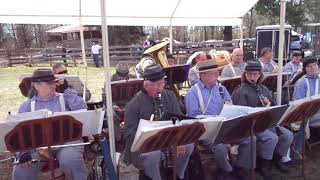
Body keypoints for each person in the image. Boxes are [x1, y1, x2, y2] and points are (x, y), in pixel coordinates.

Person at [12, 69, 88, 180]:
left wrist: (67, 89)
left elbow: (82, 109)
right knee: (21, 171)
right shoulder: (27, 106)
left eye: (54, 83)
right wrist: (22, 153)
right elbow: (18, 133)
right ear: (36, 86)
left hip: (67, 143)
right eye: (49, 84)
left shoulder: (64, 98)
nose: (53, 87)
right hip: (38, 147)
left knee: (70, 161)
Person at [185, 59, 255, 179]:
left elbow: (231, 107)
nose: (218, 76)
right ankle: (226, 170)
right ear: (202, 75)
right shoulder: (193, 92)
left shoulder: (221, 88)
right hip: (208, 130)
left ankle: (241, 167)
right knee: (220, 147)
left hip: (226, 126)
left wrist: (230, 109)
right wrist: (215, 119)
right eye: (214, 74)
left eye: (217, 72)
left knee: (250, 139)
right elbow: (193, 117)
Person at [123, 64, 194, 180]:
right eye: (157, 85)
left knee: (188, 146)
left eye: (162, 84)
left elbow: (179, 120)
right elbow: (129, 134)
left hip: (167, 140)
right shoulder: (133, 104)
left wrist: (180, 141)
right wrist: (149, 138)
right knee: (153, 155)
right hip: (144, 146)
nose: (161, 88)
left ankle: (177, 175)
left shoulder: (169, 95)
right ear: (146, 86)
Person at [232, 61, 294, 179]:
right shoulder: (240, 91)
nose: (252, 77)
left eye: (255, 74)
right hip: (252, 125)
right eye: (249, 74)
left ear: (260, 75)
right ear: (244, 74)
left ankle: (275, 159)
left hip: (267, 122)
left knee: (288, 135)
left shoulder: (263, 88)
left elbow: (275, 106)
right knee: (272, 138)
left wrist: (270, 103)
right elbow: (243, 114)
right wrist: (260, 110)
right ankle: (263, 165)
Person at [293, 57, 320, 142]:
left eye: (315, 65)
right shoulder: (302, 83)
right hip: (309, 115)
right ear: (305, 69)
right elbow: (299, 105)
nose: (313, 68)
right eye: (309, 66)